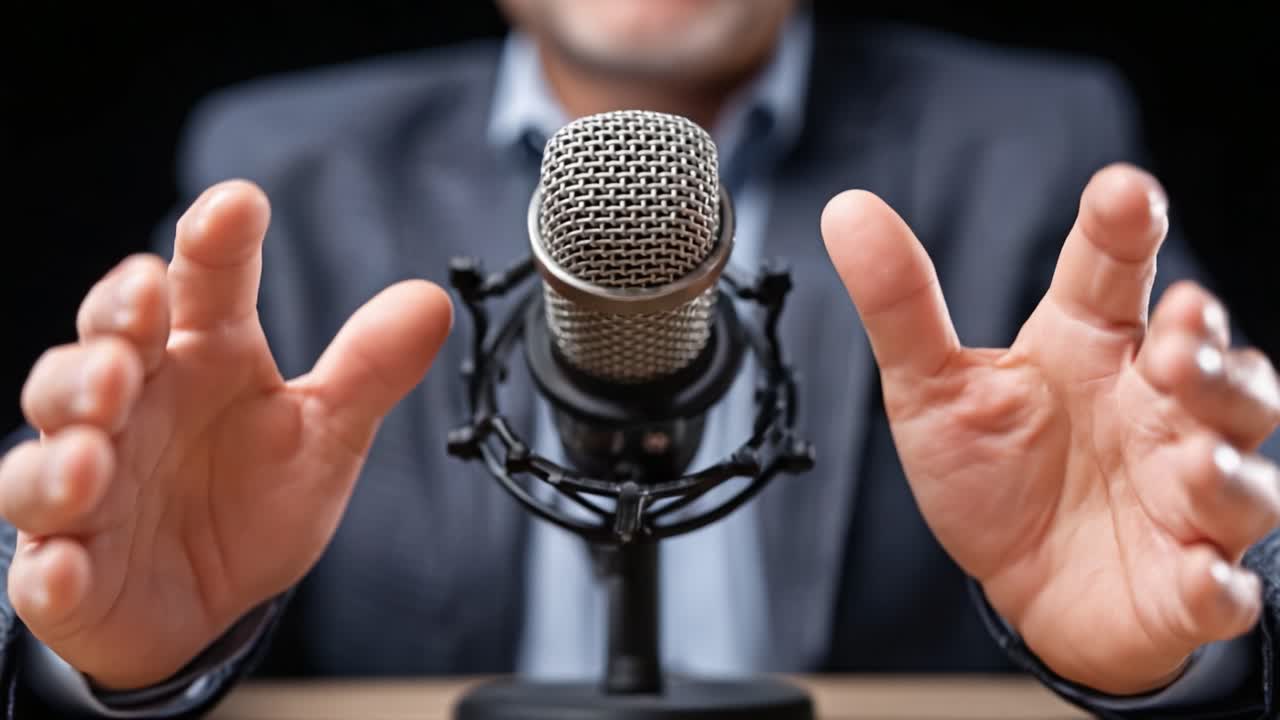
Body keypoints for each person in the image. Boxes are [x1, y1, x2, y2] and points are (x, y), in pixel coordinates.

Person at [2, 0, 1277, 716]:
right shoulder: (288, 165)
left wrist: (1182, 631)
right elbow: (58, 513)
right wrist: (96, 636)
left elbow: (1236, 502)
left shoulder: (1032, 142)